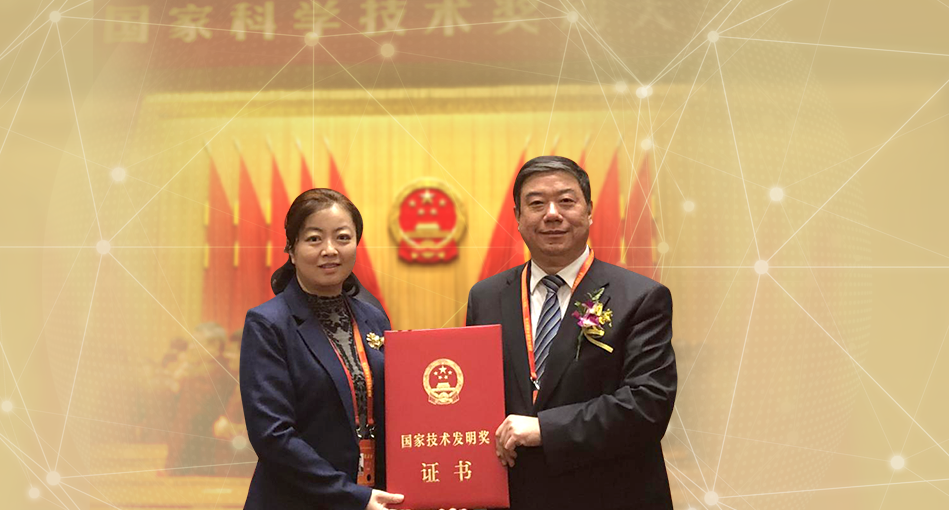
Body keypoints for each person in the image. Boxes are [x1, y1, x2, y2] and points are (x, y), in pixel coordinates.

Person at [465, 156, 677, 510]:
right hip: (515, 495)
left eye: (566, 201)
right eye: (536, 203)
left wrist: (546, 429)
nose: (552, 214)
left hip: (610, 494)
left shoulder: (640, 297)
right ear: (518, 216)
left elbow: (648, 405)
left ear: (589, 211)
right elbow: (475, 395)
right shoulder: (486, 297)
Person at [241, 189, 404, 510]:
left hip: (374, 497)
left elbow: (397, 410)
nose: (330, 250)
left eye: (342, 238)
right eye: (314, 239)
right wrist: (352, 496)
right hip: (297, 500)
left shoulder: (374, 318)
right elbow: (272, 435)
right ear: (291, 250)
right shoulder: (268, 323)